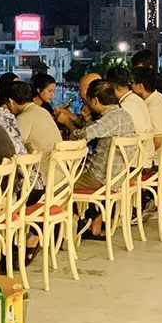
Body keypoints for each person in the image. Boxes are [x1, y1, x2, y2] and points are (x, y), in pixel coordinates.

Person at [57, 79, 135, 237]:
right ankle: (88, 220)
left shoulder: (110, 119)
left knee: (57, 180)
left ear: (95, 100)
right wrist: (83, 120)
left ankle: (70, 225)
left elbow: (83, 136)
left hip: (100, 177)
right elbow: (94, 129)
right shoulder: (123, 115)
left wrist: (67, 123)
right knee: (67, 173)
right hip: (116, 176)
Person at [8, 81, 62, 184]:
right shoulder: (43, 112)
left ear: (11, 102)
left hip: (43, 181)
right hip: (60, 178)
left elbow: (12, 147)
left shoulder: (24, 118)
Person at [107, 67, 154, 165]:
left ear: (111, 87)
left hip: (131, 165)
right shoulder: (138, 101)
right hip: (145, 161)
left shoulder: (122, 108)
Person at [131, 66, 162, 157]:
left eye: (132, 83)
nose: (130, 87)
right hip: (159, 156)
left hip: (155, 160)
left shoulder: (153, 105)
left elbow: (158, 140)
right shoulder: (159, 96)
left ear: (141, 86)